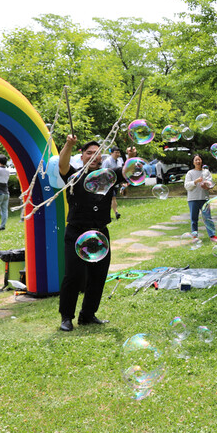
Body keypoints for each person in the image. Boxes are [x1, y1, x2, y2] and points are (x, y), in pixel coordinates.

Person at [56, 136, 136, 332]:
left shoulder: (108, 176)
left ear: (101, 157)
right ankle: (67, 317)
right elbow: (63, 164)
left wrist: (132, 157)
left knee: (98, 276)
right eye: (88, 153)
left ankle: (88, 314)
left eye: (96, 153)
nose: (92, 156)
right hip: (76, 233)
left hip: (100, 233)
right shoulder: (73, 176)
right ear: (82, 156)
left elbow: (128, 171)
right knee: (73, 276)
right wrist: (68, 145)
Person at [184, 154, 217, 242]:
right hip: (193, 199)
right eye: (196, 160)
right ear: (193, 162)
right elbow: (187, 186)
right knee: (194, 219)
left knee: (208, 218)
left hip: (204, 198)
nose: (198, 161)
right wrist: (195, 181)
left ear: (201, 161)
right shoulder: (190, 173)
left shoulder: (206, 172)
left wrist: (206, 186)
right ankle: (195, 237)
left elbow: (210, 184)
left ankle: (212, 236)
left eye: (199, 160)